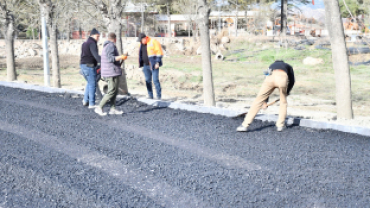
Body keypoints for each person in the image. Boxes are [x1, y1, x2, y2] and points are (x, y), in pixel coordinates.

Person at [237, 60, 295, 132]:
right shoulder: (288, 66)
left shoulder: (271, 65)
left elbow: (266, 78)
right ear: (283, 63)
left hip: (270, 77)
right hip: (282, 78)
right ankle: (280, 125)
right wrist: (287, 92)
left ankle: (244, 125)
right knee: (283, 102)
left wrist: (265, 101)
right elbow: (292, 81)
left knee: (258, 101)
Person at [95, 32, 127, 116]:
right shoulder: (110, 46)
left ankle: (113, 109)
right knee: (111, 91)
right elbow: (110, 58)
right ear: (115, 39)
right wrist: (121, 57)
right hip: (110, 72)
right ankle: (99, 107)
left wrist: (121, 57)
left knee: (115, 91)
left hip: (112, 71)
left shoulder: (107, 46)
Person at [138, 33, 164, 100]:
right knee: (147, 81)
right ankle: (150, 95)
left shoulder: (153, 41)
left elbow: (159, 52)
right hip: (145, 65)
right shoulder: (141, 44)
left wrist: (157, 62)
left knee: (155, 80)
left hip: (153, 64)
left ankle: (158, 96)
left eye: (141, 40)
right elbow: (141, 54)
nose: (140, 42)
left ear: (144, 38)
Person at [80, 28, 101, 108]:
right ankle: (91, 104)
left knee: (89, 83)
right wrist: (102, 61)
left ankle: (85, 100)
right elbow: (95, 55)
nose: (98, 38)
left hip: (83, 65)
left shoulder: (85, 43)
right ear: (93, 35)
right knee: (93, 84)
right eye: (97, 36)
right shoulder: (92, 43)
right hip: (89, 65)